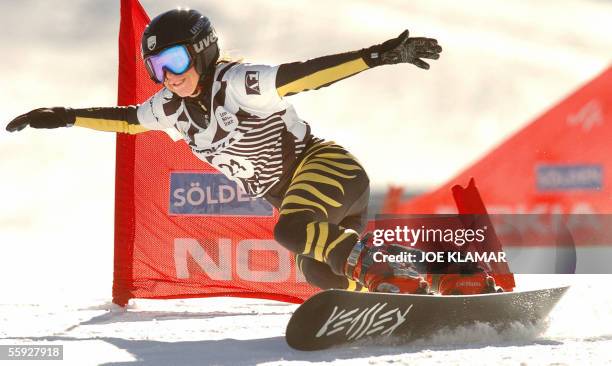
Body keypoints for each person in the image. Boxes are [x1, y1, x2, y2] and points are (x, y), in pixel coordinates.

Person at [6, 8, 498, 294]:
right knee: (318, 271)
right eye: (157, 67)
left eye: (176, 60)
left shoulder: (238, 83)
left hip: (327, 169)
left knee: (290, 228)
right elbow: (129, 121)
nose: (169, 76)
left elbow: (301, 74)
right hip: (308, 200)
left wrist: (373, 57)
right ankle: (454, 274)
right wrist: (66, 115)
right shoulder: (170, 109)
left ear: (201, 51)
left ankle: (393, 279)